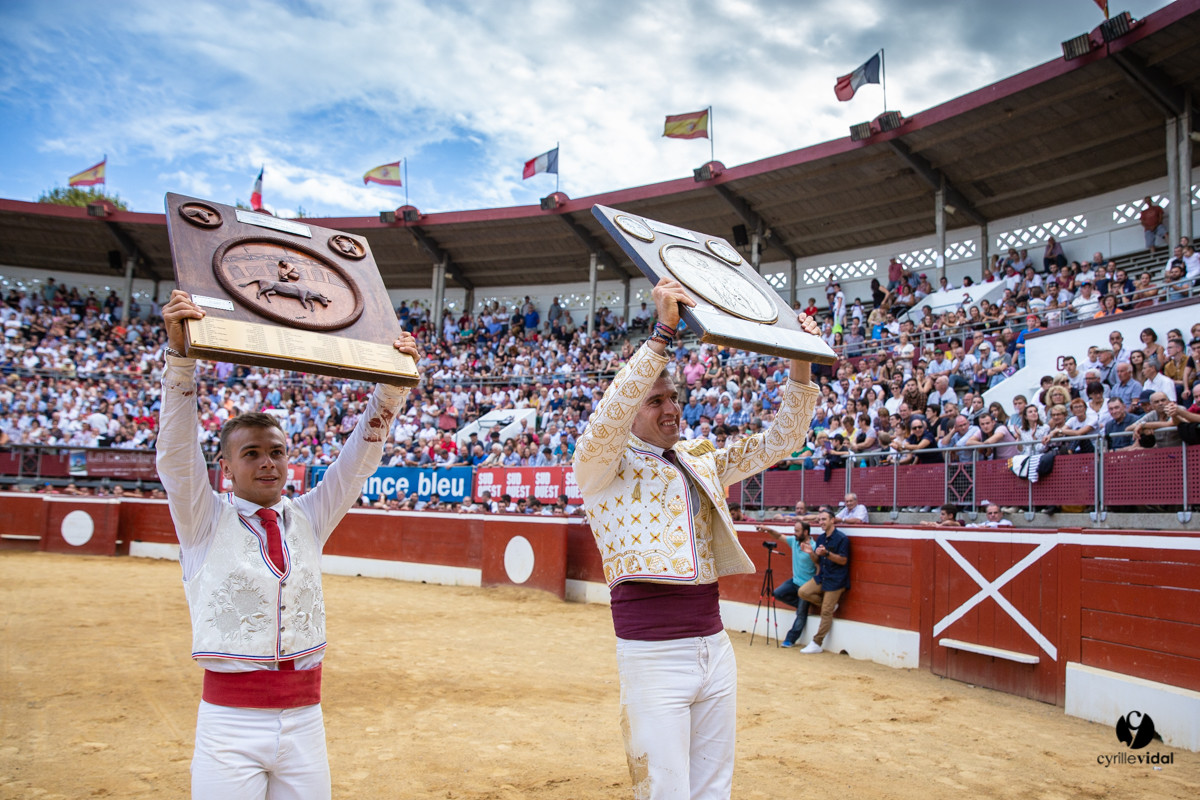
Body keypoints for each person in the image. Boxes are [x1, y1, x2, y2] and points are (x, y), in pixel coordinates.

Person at [155, 290, 420, 799]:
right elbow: (175, 455)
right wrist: (181, 360)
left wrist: (391, 391)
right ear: (226, 469)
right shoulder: (203, 519)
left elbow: (357, 462)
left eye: (276, 452)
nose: (267, 463)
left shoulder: (308, 516)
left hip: (305, 720)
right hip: (229, 726)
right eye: (251, 454)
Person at [572, 277, 819, 800]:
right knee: (665, 792)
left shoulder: (699, 459)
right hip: (652, 653)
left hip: (714, 645)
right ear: (632, 408)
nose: (670, 408)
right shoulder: (601, 465)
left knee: (713, 790)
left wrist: (801, 359)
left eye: (674, 397)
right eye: (654, 400)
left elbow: (784, 439)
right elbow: (607, 417)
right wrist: (660, 334)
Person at [796, 507, 850, 654]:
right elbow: (817, 561)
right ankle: (829, 606)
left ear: (832, 520)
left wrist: (827, 553)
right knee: (803, 592)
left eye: (824, 519)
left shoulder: (842, 539)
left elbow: (843, 560)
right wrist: (810, 553)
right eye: (819, 520)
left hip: (836, 579)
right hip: (823, 576)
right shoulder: (821, 538)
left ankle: (817, 642)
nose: (821, 522)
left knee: (825, 612)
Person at [759, 520, 818, 648]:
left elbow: (818, 563)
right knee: (778, 594)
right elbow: (779, 536)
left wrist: (811, 553)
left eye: (797, 531)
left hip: (806, 586)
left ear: (806, 532)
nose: (794, 533)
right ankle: (802, 606)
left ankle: (790, 639)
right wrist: (767, 529)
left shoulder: (813, 546)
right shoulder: (795, 542)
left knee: (801, 615)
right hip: (795, 581)